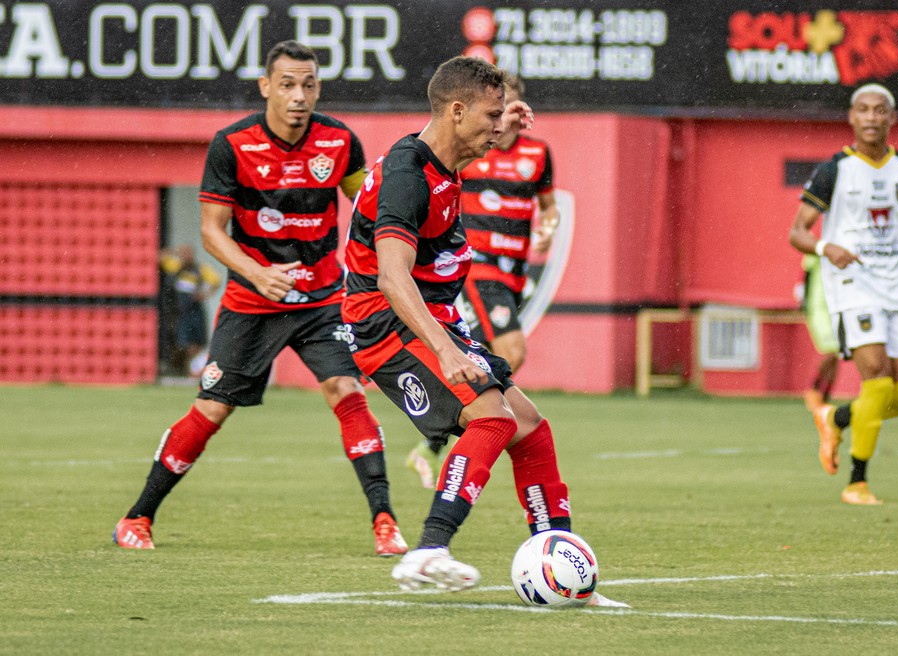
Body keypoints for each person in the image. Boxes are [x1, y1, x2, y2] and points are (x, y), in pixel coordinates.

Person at [342, 56, 623, 605]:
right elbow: (392, 277)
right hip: (385, 323)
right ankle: (429, 550)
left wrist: (504, 124)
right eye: (492, 116)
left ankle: (558, 563)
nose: (500, 127)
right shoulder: (406, 177)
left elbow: (475, 143)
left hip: (434, 319)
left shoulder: (443, 160)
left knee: (530, 427)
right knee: (491, 418)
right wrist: (446, 352)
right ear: (455, 110)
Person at [113, 40, 407, 556]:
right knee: (212, 409)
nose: (299, 95)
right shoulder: (232, 144)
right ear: (266, 87)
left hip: (322, 298)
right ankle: (137, 518)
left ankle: (385, 522)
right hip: (253, 301)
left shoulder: (340, 141)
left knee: (346, 389)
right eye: (288, 84)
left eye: (309, 85)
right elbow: (211, 232)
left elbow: (369, 209)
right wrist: (257, 273)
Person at [789, 83, 898, 505]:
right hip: (854, 289)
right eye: (864, 110)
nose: (872, 117)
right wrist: (826, 247)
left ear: (892, 118)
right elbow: (797, 231)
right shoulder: (834, 170)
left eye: (881, 110)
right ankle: (857, 482)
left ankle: (835, 416)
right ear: (851, 117)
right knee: (877, 379)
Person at [405, 73, 560, 489]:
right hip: (480, 265)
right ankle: (460, 448)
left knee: (484, 358)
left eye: (510, 104)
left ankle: (433, 441)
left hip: (513, 269)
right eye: (496, 108)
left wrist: (549, 227)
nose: (504, 115)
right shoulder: (474, 152)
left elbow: (549, 208)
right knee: (512, 349)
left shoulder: (539, 154)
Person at [159, 244, 220, 377]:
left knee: (196, 342)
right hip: (179, 310)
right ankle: (184, 369)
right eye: (184, 254)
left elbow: (216, 280)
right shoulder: (174, 266)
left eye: (189, 253)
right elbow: (160, 256)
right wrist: (175, 251)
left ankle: (193, 370)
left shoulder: (200, 269)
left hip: (194, 309)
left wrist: (205, 294)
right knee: (181, 342)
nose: (186, 257)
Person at [799, 253, 839, 412]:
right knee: (830, 352)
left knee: (837, 355)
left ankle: (825, 397)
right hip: (819, 309)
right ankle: (812, 390)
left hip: (836, 309)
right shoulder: (817, 250)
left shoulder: (844, 248)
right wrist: (804, 303)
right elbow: (806, 277)